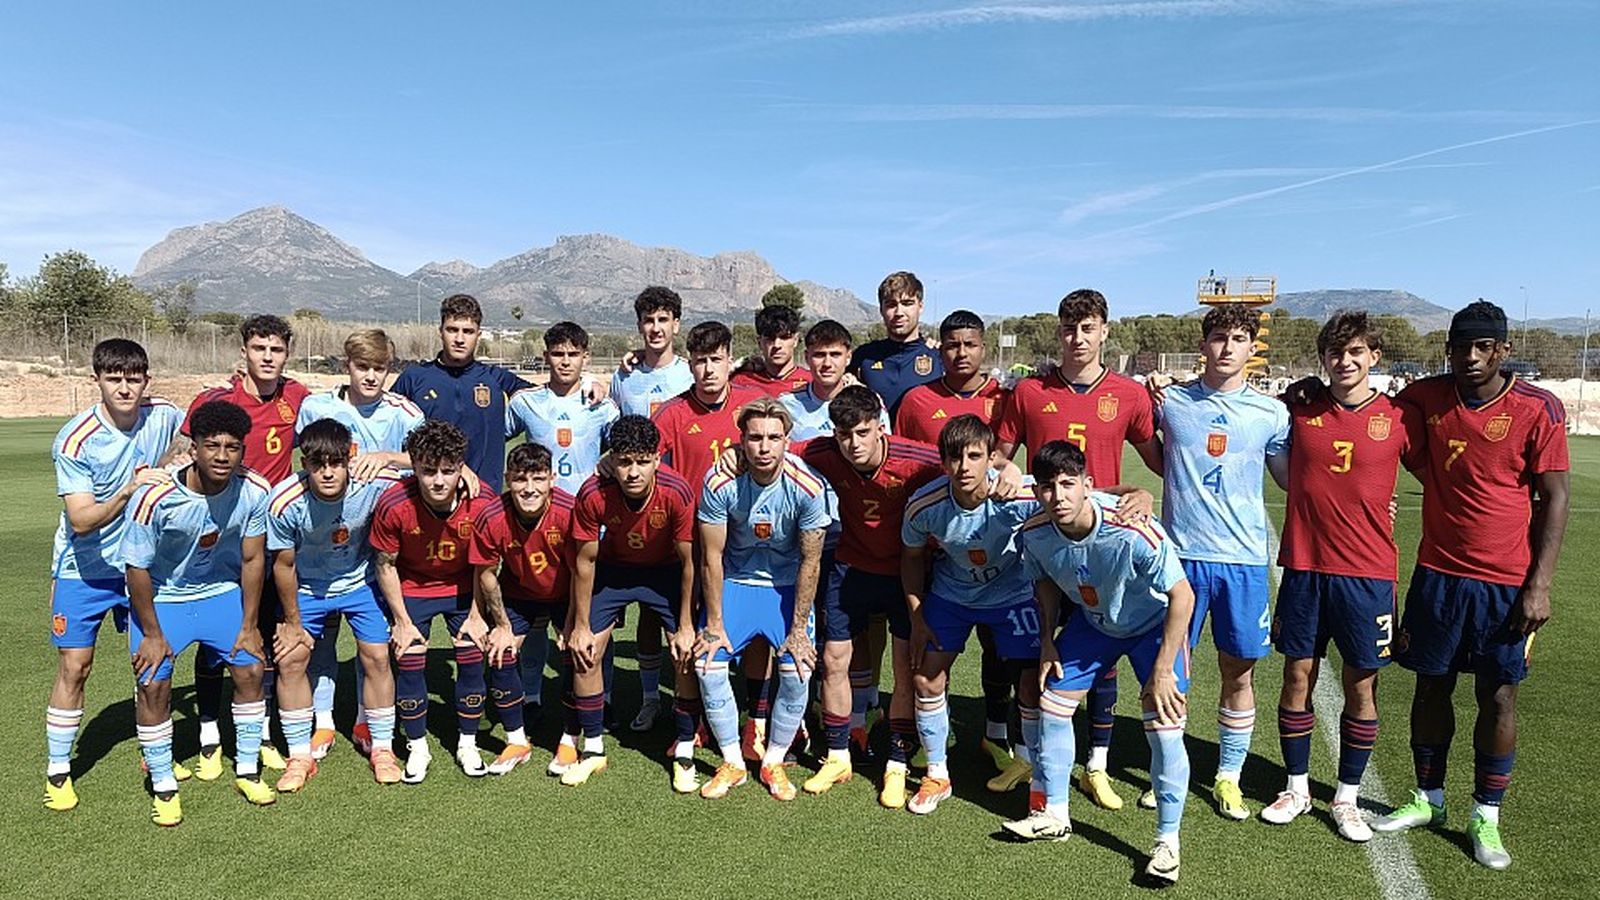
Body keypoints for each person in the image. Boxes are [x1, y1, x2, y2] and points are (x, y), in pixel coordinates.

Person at [1374, 301, 1569, 870]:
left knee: (1498, 694)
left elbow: (1554, 498)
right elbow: (1373, 418)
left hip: (1505, 583)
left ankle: (1486, 813)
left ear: (1504, 350)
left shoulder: (1539, 407)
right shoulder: (1426, 396)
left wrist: (1541, 584)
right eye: (1461, 347)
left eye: (1484, 347)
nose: (1471, 358)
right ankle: (1428, 799)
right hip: (1437, 573)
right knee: (1430, 686)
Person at [992, 288, 1163, 808]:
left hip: (1104, 546)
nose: (1078, 338)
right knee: (1032, 655)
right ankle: (1030, 757)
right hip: (1043, 546)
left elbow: (1160, 461)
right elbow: (997, 456)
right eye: (1069, 329)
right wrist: (1008, 469)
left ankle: (1097, 764)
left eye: (1088, 328)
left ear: (1105, 331)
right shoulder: (1027, 392)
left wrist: (1147, 492)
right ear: (1059, 332)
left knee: (1103, 659)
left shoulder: (1130, 395)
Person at [1261, 311, 1422, 841]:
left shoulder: (1399, 417)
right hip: (1305, 567)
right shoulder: (1299, 405)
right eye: (1335, 352)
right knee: (1296, 677)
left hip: (1368, 573)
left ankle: (1348, 797)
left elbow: (1439, 472)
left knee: (1361, 684)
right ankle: (1297, 787)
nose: (1344, 361)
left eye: (1356, 352)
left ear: (1374, 356)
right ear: (1323, 358)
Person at [1003, 441, 1194, 886]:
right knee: (1052, 705)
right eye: (1048, 487)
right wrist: (1048, 641)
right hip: (1094, 625)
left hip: (1152, 626)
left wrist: (1163, 670)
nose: (1059, 496)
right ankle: (1054, 814)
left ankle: (1168, 843)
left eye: (1069, 484)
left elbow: (1182, 596)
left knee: (1165, 728)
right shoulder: (1035, 532)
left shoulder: (1131, 528)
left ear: (1088, 485)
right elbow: (1046, 581)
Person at [1152, 304, 1290, 820]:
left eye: (1238, 338)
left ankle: (1227, 776)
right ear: (1203, 344)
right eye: (1218, 338)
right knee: (1171, 669)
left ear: (1252, 347)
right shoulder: (1171, 402)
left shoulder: (1271, 414)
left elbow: (1291, 480)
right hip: (1181, 559)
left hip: (1243, 560)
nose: (1227, 348)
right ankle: (1169, 772)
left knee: (1239, 671)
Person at [43, 339, 183, 811]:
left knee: (152, 667)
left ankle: (156, 759)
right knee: (75, 667)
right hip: (84, 571)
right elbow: (80, 519)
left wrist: (180, 463)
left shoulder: (163, 414)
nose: (125, 387)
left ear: (147, 380)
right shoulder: (75, 438)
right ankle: (59, 770)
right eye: (114, 378)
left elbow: (201, 432)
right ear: (97, 380)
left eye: (134, 378)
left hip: (142, 567)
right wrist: (130, 490)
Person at [124, 400, 276, 825]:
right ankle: (164, 785)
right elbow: (136, 568)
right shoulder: (155, 497)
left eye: (232, 447)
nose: (223, 456)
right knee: (153, 684)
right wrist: (153, 635)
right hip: (162, 600)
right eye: (212, 446)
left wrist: (249, 626)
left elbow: (252, 561)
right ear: (193, 448)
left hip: (219, 594)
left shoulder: (255, 490)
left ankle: (247, 770)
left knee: (249, 669)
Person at [798, 386, 944, 807]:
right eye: (845, 434)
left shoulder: (918, 459)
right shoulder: (824, 452)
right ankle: (839, 755)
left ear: (881, 427)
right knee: (833, 660)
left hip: (905, 571)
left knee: (904, 666)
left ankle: (896, 763)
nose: (854, 444)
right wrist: (737, 452)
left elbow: (966, 463)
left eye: (863, 432)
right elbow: (776, 447)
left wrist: (1004, 469)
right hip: (852, 566)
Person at [183, 314, 308, 778]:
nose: (268, 358)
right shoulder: (218, 401)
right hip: (221, 536)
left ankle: (264, 734)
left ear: (287, 354)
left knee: (267, 632)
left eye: (276, 350)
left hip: (272, 536)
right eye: (259, 349)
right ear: (244, 352)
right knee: (217, 635)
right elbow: (185, 456)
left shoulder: (298, 397)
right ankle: (210, 734)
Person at [901, 414, 1043, 815]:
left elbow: (1081, 498)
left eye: (974, 456)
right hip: (953, 596)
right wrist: (917, 616)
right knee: (925, 677)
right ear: (943, 462)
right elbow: (911, 557)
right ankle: (938, 773)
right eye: (954, 458)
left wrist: (1135, 494)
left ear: (991, 458)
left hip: (1012, 594)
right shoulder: (924, 505)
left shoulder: (1017, 495)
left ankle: (1035, 768)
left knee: (1031, 684)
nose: (964, 467)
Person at [294, 327, 424, 759]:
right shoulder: (316, 407)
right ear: (346, 365)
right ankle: (323, 723)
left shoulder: (404, 412)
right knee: (322, 639)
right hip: (323, 542)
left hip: (381, 545)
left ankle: (367, 719)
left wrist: (389, 457)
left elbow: (427, 459)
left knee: (375, 642)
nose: (371, 376)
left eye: (380, 368)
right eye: (362, 367)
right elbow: (305, 459)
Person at [693, 398, 830, 800]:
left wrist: (800, 629)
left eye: (773, 437)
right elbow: (711, 559)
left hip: (786, 587)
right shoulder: (720, 482)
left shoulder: (807, 487)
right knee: (707, 662)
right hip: (736, 582)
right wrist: (714, 624)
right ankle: (733, 762)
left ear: (788, 440)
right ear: (741, 441)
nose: (764, 446)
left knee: (799, 667)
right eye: (755, 437)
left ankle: (773, 760)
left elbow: (811, 561)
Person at [266, 418, 406, 790]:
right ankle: (299, 757)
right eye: (318, 464)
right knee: (292, 657)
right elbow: (283, 564)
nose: (327, 473)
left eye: (336, 463)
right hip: (309, 590)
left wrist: (467, 474)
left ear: (349, 459)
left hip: (361, 583)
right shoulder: (284, 502)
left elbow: (428, 472)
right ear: (305, 463)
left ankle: (382, 748)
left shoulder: (373, 483)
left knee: (377, 655)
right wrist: (293, 622)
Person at [564, 416, 702, 791]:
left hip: (666, 572)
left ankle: (686, 746)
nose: (632, 472)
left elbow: (690, 562)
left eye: (642, 461)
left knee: (686, 651)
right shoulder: (594, 492)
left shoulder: (677, 491)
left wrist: (687, 623)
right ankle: (593, 750)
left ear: (658, 458)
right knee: (586, 650)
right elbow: (585, 561)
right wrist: (578, 623)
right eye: (624, 462)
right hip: (615, 571)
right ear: (613, 459)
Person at [652, 321, 770, 748]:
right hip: (693, 544)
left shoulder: (751, 405)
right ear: (690, 363)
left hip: (749, 541)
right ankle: (697, 721)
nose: (707, 370)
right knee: (695, 627)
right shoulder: (672, 413)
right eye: (699, 361)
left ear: (729, 360)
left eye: (716, 360)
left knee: (756, 628)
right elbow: (645, 462)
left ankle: (755, 720)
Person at [505, 321, 619, 716]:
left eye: (573, 354)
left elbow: (620, 454)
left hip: (590, 524)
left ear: (585, 357)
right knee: (538, 613)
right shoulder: (525, 403)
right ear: (546, 356)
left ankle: (601, 692)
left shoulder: (603, 406)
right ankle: (533, 691)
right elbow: (490, 438)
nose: (565, 361)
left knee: (596, 612)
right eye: (558, 353)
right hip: (538, 523)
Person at [369, 420, 493, 783]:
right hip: (413, 587)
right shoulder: (393, 503)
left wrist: (475, 615)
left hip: (462, 587)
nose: (438, 481)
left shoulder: (480, 500)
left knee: (472, 650)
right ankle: (417, 745)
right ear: (415, 467)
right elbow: (385, 565)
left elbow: (485, 566)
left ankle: (468, 742)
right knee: (409, 655)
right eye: (428, 471)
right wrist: (402, 622)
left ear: (461, 468)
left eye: (448, 471)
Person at [469, 443, 578, 775]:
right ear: (507, 480)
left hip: (566, 593)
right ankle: (517, 739)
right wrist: (500, 625)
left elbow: (583, 572)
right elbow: (486, 573)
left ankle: (571, 739)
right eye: (520, 479)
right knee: (500, 651)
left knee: (580, 651)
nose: (529, 489)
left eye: (538, 479)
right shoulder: (492, 515)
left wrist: (575, 622)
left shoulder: (571, 511)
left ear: (552, 480)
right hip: (519, 592)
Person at [391, 293, 529, 493]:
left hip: (484, 500)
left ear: (478, 335)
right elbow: (382, 418)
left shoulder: (496, 378)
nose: (459, 339)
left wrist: (586, 382)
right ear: (440, 331)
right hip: (429, 497)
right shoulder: (414, 378)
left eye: (468, 331)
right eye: (452, 330)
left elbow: (551, 394)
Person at [894, 310, 1007, 444]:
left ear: (983, 350)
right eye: (953, 346)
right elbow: (901, 455)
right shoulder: (916, 400)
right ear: (941, 352)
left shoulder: (1005, 397)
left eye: (970, 345)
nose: (962, 353)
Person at [851, 270, 942, 422]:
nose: (899, 312)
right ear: (881, 309)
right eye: (891, 304)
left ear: (920, 306)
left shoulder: (939, 356)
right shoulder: (863, 357)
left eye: (907, 303)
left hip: (920, 446)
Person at [611, 286, 694, 419]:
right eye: (649, 321)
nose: (656, 329)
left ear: (676, 325)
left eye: (663, 320)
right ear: (639, 326)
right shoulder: (622, 377)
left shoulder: (691, 375)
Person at [733, 303, 813, 395]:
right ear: (759, 342)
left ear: (795, 340)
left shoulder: (812, 382)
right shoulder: (741, 382)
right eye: (770, 338)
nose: (777, 345)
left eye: (784, 337)